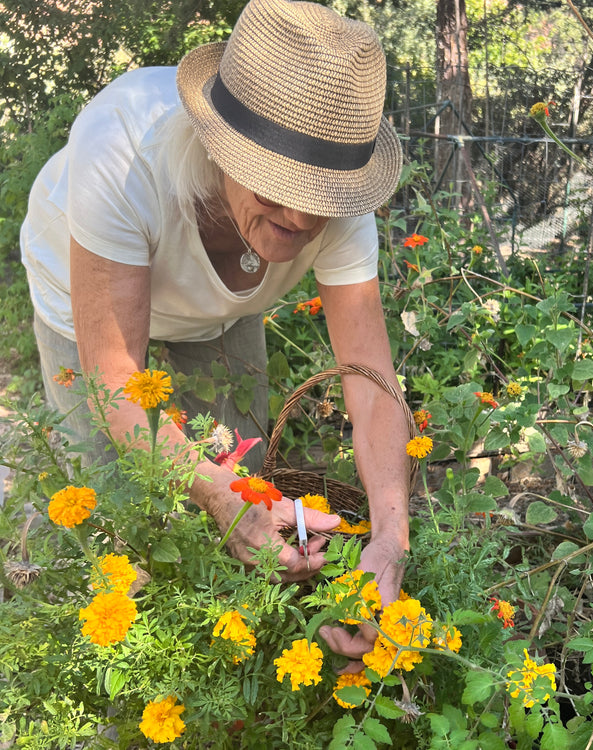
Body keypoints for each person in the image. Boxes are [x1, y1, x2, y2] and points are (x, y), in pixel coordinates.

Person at [20, 0, 411, 669]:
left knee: (244, 476)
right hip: (78, 294)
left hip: (221, 312)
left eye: (318, 195)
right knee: (120, 506)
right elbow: (116, 379)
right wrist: (209, 493)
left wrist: (390, 538)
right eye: (276, 182)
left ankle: (231, 653)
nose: (296, 213)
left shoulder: (343, 208)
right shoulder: (123, 149)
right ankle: (133, 674)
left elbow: (372, 382)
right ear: (217, 144)